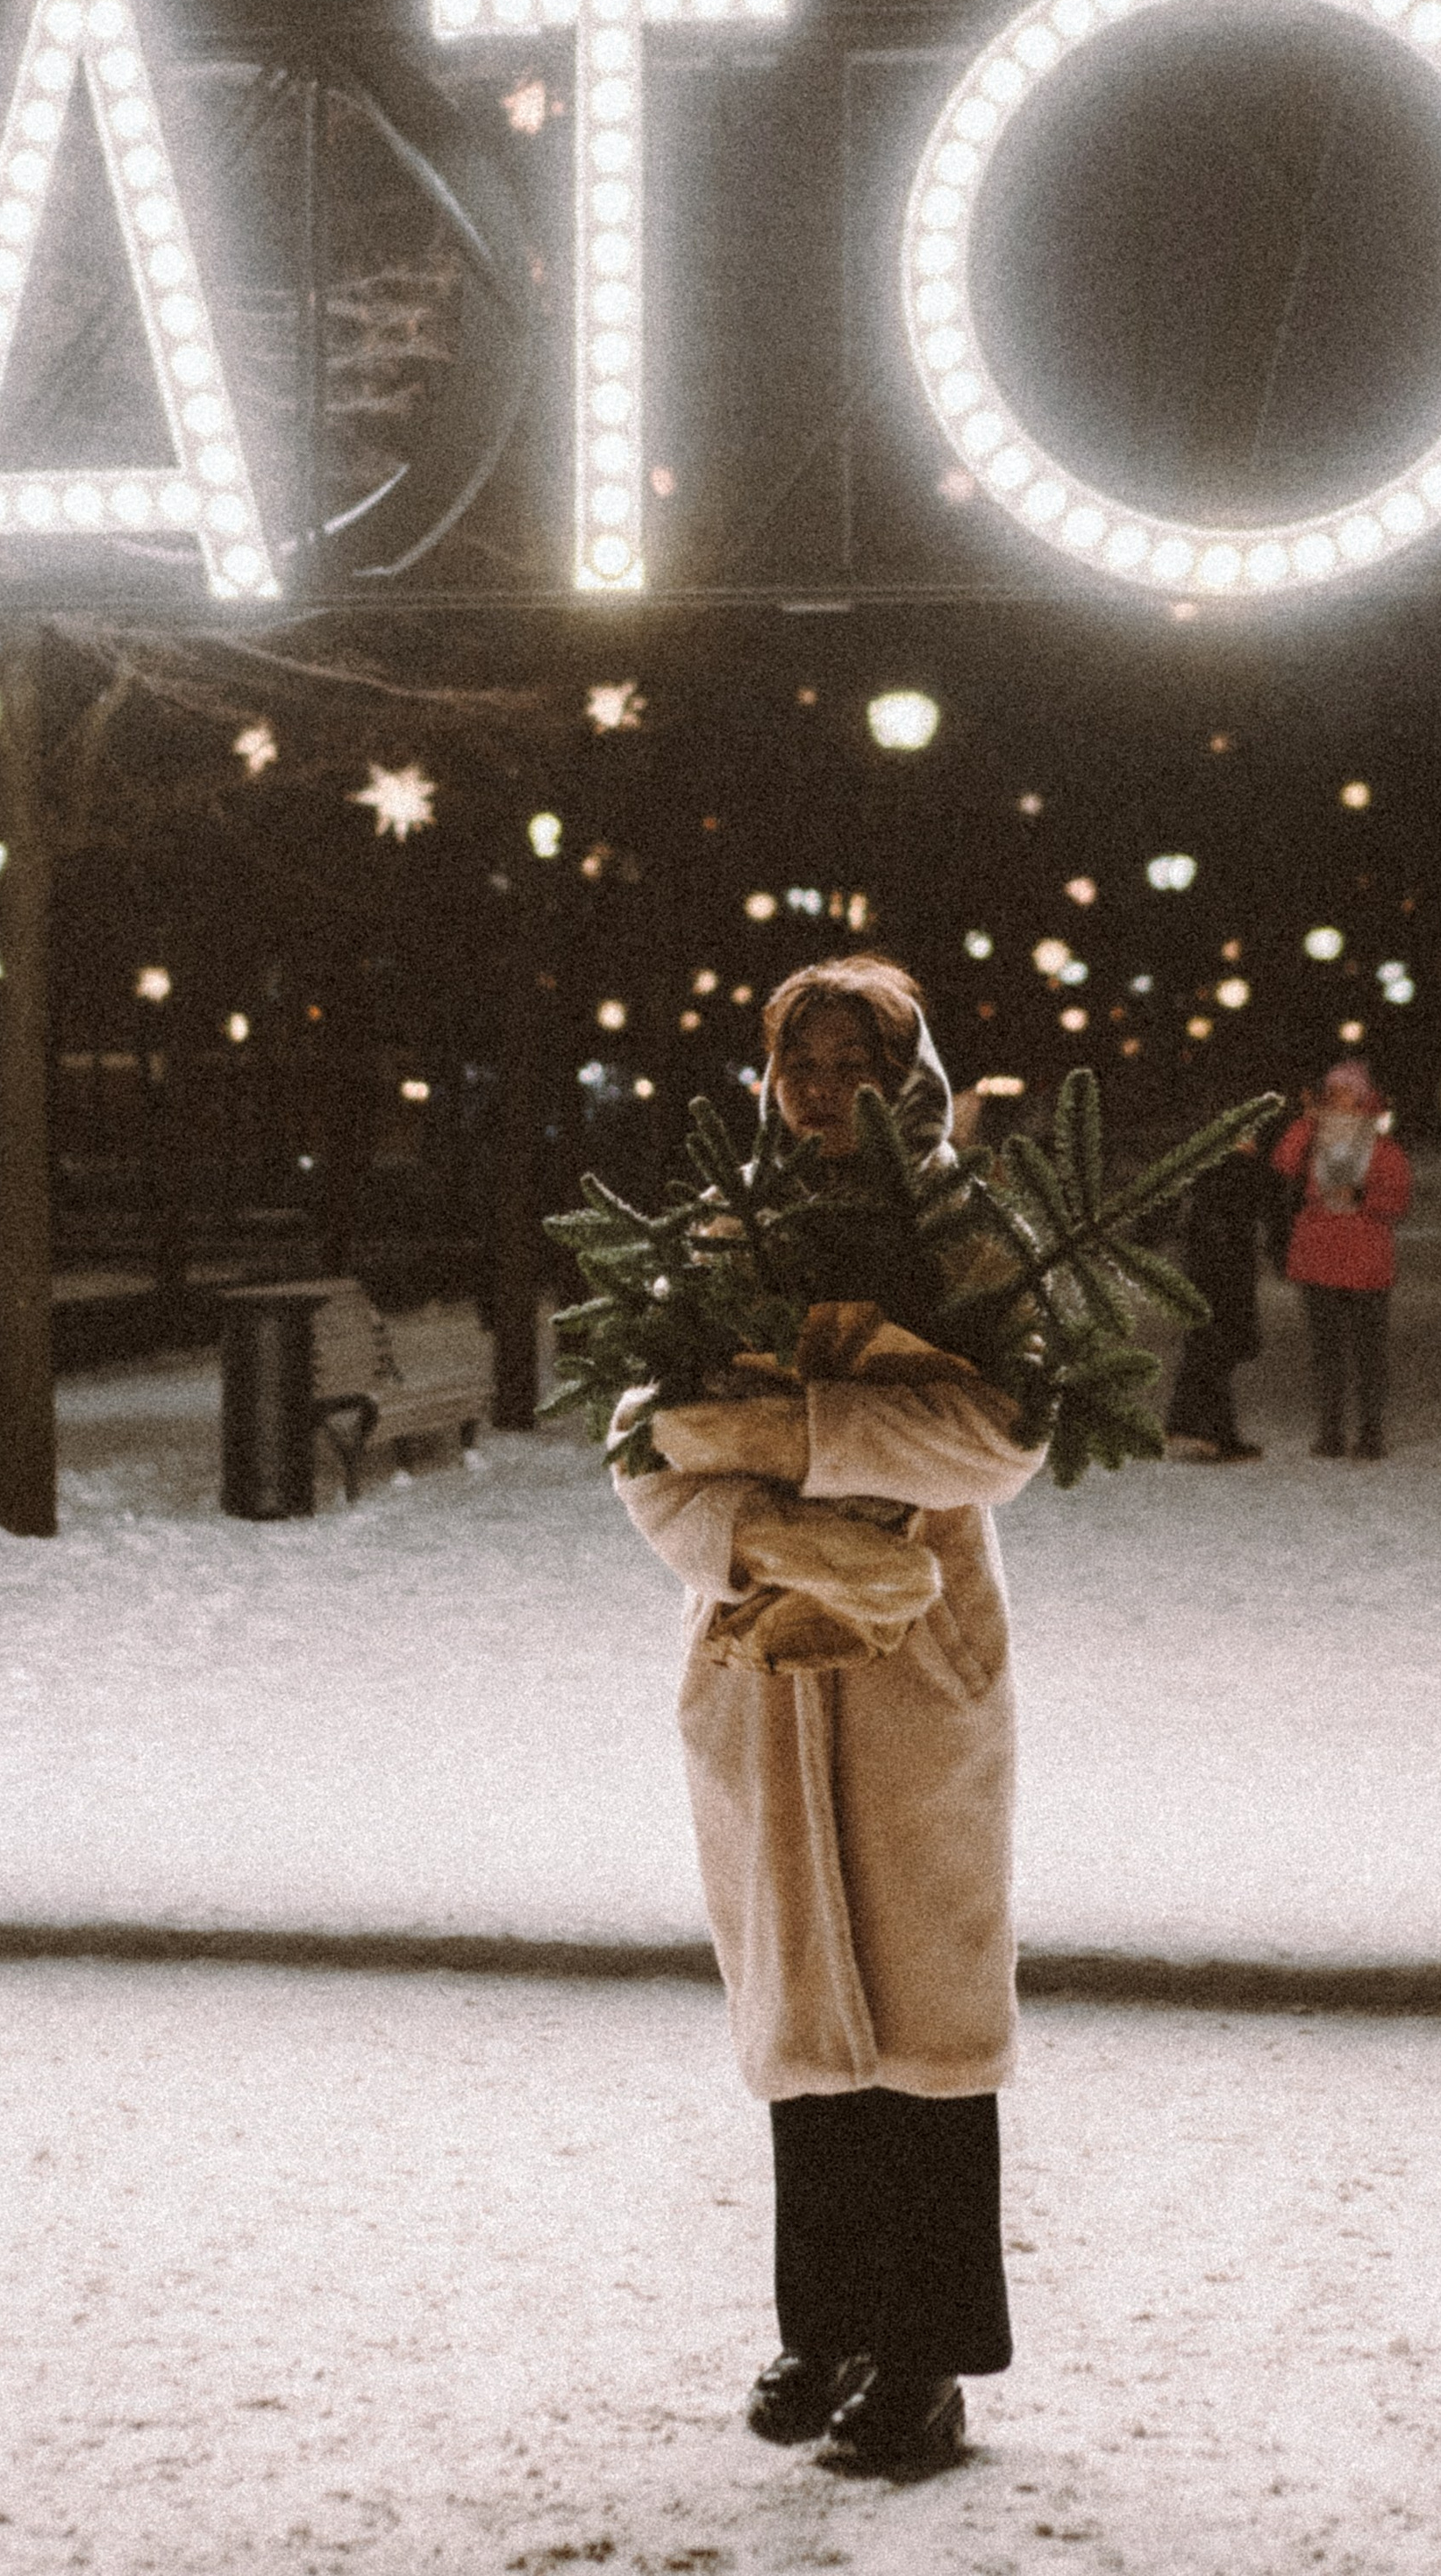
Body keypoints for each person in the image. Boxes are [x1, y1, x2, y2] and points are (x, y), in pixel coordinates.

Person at [613, 955, 1040, 2482]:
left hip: (915, 1662)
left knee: (926, 2009)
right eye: (802, 1058)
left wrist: (802, 1433)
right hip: (758, 1662)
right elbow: (642, 1440)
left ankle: (926, 2359)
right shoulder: (721, 1232)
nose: (823, 1087)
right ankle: (827, 2323)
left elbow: (1002, 1429)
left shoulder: (964, 1238)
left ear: (906, 1070)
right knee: (801, 2001)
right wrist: (757, 1539)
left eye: (856, 1058)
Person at [1270, 1060, 1411, 1459]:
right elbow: (1283, 1161)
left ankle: (1370, 1431)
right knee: (1326, 1352)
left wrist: (1365, 1199)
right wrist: (1306, 1123)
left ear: (1363, 1096)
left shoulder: (1381, 1144)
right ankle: (1331, 1430)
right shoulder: (1314, 1136)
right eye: (1330, 1090)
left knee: (1367, 1353)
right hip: (1318, 1256)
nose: (1335, 1097)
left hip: (1365, 1260)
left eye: (1344, 1090)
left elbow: (1398, 1198)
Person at [1163, 1124, 1267, 1460]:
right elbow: (1252, 1217)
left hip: (1205, 1269)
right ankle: (1216, 1435)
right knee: (1216, 1352)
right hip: (1225, 1274)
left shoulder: (1208, 1167)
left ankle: (1186, 1423)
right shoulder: (1239, 1169)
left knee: (1205, 1349)